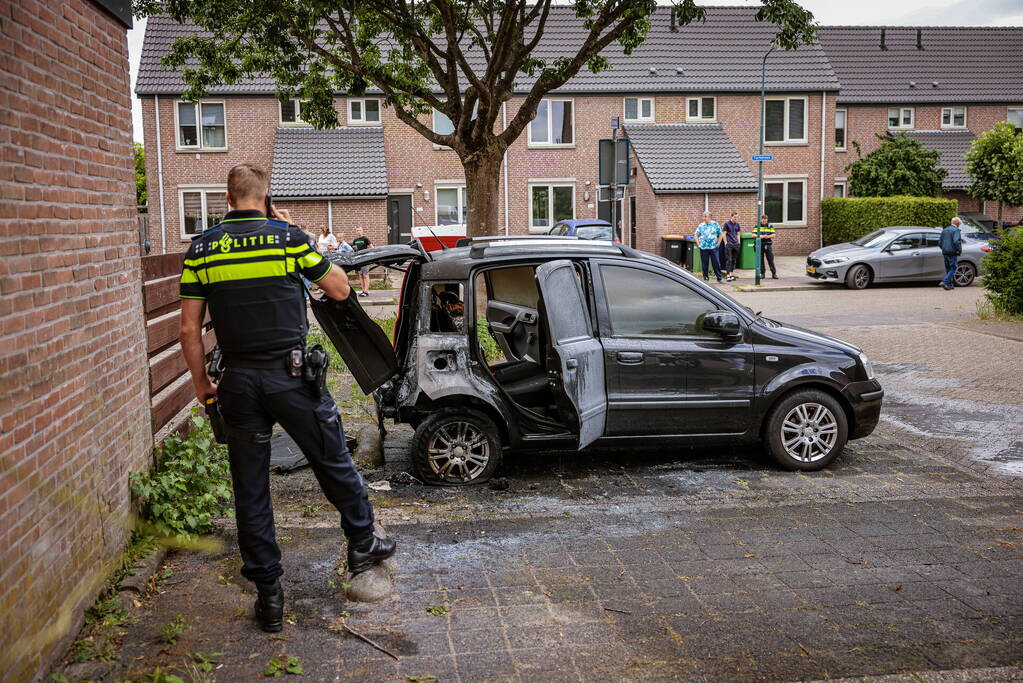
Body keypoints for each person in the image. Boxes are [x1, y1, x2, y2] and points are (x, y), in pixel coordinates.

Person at [178, 163, 395, 634]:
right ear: (266, 196)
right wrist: (302, 243)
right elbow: (337, 288)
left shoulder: (201, 250)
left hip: (237, 381)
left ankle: (269, 594)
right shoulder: (287, 238)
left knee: (251, 487)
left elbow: (188, 328)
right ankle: (362, 542)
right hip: (292, 378)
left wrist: (200, 384)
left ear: (228, 198)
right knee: (331, 458)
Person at [693, 211, 724, 283]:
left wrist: (718, 244)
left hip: (713, 247)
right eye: (703, 216)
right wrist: (698, 244)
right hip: (704, 247)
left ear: (709, 217)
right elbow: (696, 234)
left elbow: (721, 234)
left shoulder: (715, 224)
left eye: (705, 217)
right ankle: (705, 278)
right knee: (704, 263)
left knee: (716, 263)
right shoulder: (701, 225)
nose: (703, 218)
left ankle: (719, 278)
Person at [939, 216, 963, 290]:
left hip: (945, 252)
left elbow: (940, 242)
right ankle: (945, 282)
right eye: (960, 223)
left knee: (948, 269)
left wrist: (944, 248)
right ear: (958, 223)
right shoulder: (956, 230)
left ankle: (950, 285)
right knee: (953, 268)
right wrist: (959, 250)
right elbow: (956, 241)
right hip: (952, 252)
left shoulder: (945, 230)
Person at [754, 214, 778, 279]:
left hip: (768, 244)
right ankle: (762, 274)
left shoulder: (770, 226)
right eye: (763, 220)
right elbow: (753, 235)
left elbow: (774, 235)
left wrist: (768, 236)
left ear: (767, 220)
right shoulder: (757, 226)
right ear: (761, 220)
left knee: (770, 259)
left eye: (766, 220)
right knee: (761, 260)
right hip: (760, 244)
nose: (764, 222)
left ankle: (774, 273)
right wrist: (760, 236)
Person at [351, 227, 372, 297]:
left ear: (362, 231)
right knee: (360, 276)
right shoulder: (355, 240)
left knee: (365, 275)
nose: (358, 231)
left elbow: (372, 248)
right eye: (357, 230)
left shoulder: (365, 239)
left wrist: (370, 256)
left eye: (360, 230)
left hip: (365, 260)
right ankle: (363, 291)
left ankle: (366, 291)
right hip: (358, 260)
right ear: (356, 232)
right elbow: (353, 250)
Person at [721, 212, 742, 281]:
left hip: (736, 244)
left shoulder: (737, 224)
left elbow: (738, 234)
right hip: (729, 244)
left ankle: (731, 274)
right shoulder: (726, 224)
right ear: (731, 217)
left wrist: (739, 242)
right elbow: (724, 234)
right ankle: (727, 275)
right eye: (734, 217)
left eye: (737, 217)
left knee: (734, 260)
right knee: (728, 260)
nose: (736, 219)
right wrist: (725, 242)